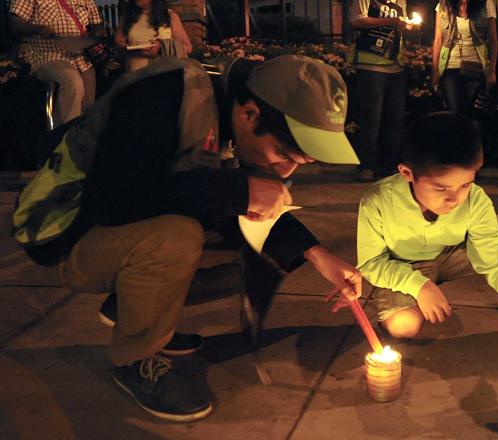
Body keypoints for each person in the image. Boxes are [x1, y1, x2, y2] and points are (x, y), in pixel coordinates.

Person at [16, 55, 363, 421]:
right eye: (282, 154)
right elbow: (113, 200)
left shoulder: (231, 114)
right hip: (66, 232)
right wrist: (237, 191)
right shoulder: (163, 96)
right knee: (176, 238)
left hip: (118, 225)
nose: (286, 170)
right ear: (249, 114)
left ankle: (136, 310)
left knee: (248, 253)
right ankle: (134, 358)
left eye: (299, 163)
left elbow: (221, 200)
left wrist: (318, 255)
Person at [355, 111, 498, 340]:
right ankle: (412, 299)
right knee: (404, 326)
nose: (454, 199)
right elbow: (371, 263)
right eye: (440, 188)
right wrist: (419, 286)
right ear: (407, 173)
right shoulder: (378, 200)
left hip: (454, 254)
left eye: (465, 185)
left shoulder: (475, 199)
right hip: (406, 264)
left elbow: (496, 263)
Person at [9, 0, 105, 126]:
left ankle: (78, 139)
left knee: (88, 107)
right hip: (46, 54)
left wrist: (95, 36)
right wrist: (38, 29)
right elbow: (15, 24)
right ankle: (64, 137)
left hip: (81, 57)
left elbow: (97, 23)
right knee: (72, 81)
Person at [349, 0, 415, 182]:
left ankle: (390, 166)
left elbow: (400, 24)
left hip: (396, 65)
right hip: (371, 65)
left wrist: (406, 25)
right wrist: (391, 22)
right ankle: (367, 165)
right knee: (371, 119)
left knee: (394, 120)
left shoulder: (400, 1)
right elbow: (355, 21)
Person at [431, 0, 498, 115]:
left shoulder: (485, 4)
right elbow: (438, 39)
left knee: (472, 113)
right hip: (450, 66)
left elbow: (493, 38)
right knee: (454, 112)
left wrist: (492, 70)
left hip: (475, 66)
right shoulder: (444, 5)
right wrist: (435, 71)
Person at [114, 0, 192, 72]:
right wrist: (133, 49)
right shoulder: (127, 18)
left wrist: (161, 47)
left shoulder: (169, 16)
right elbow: (119, 43)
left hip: (162, 74)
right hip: (135, 75)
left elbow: (187, 47)